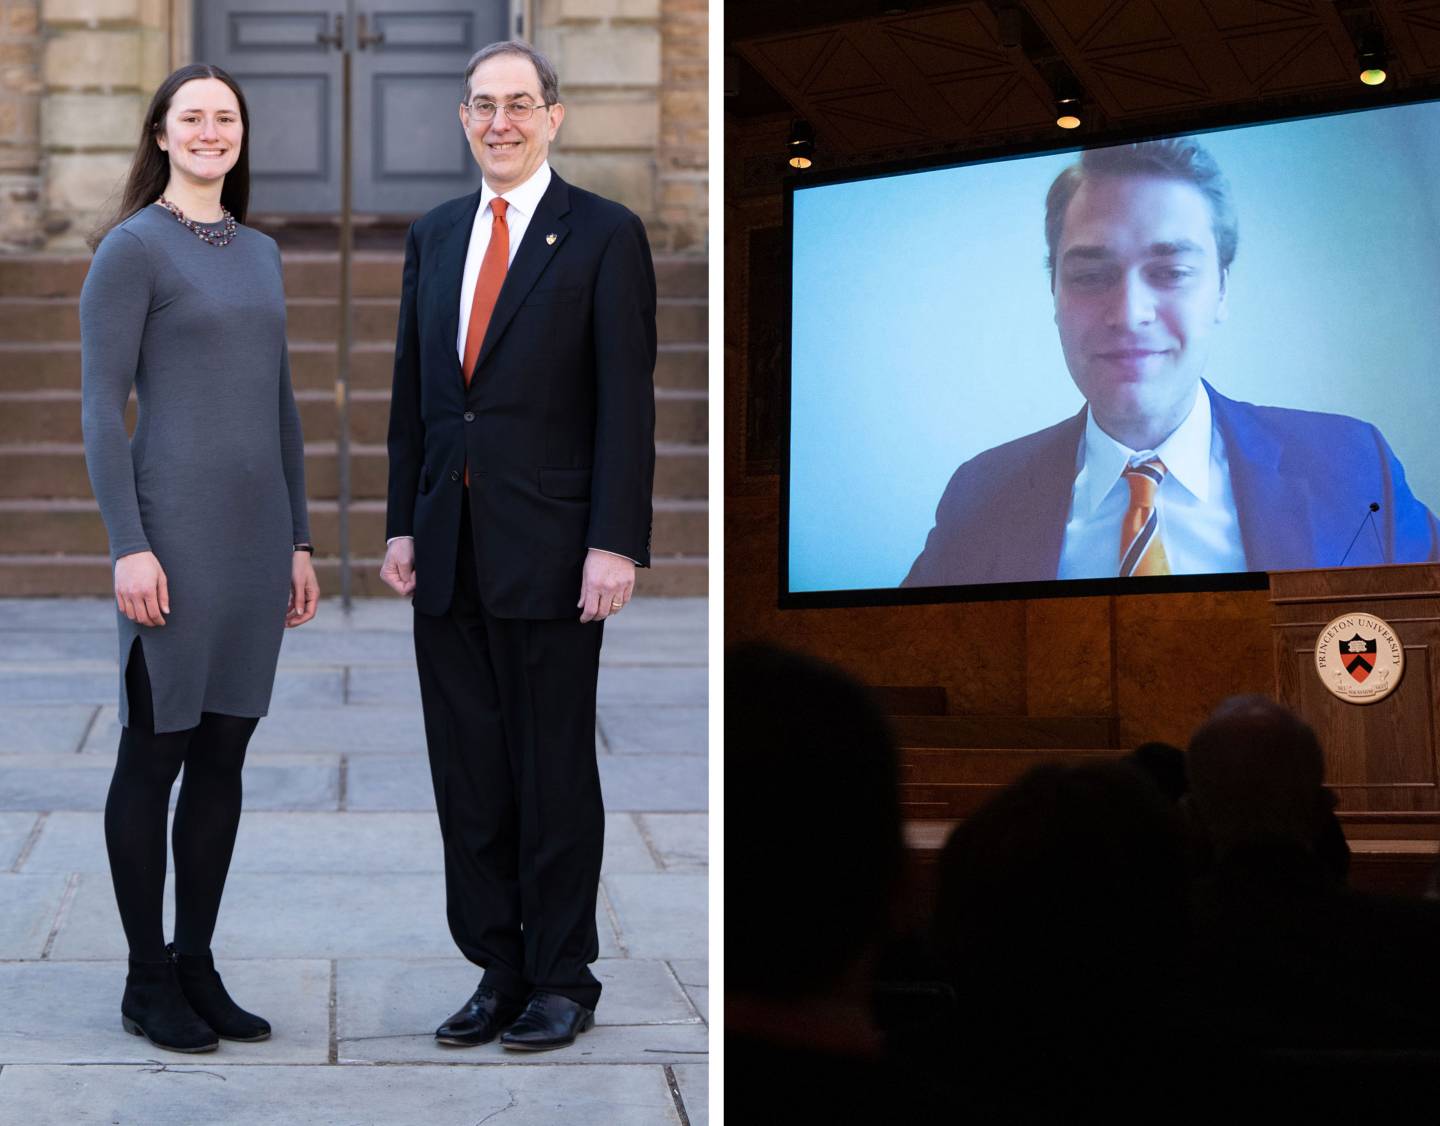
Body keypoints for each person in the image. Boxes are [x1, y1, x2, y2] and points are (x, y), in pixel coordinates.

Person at [379, 40, 655, 1051]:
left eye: (519, 104)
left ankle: (562, 973)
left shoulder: (604, 234)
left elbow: (627, 403)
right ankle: (496, 964)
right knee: (469, 773)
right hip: (447, 545)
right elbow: (417, 396)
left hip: (552, 546)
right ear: (463, 119)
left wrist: (614, 542)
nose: (501, 120)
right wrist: (402, 521)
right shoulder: (435, 233)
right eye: (484, 105)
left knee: (550, 768)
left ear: (555, 116)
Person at [903, 136, 1440, 588]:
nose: (1130, 313)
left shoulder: (1351, 467)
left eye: (1170, 272)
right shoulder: (979, 497)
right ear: (1054, 293)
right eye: (1091, 276)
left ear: (1222, 289)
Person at [80, 64, 318, 1054]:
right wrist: (128, 545)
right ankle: (145, 978)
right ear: (163, 134)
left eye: (226, 117)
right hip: (171, 542)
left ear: (239, 136)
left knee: (223, 754)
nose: (211, 130)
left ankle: (197, 962)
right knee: (157, 752)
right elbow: (99, 405)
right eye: (193, 117)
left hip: (257, 545)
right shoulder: (131, 250)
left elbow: (281, 403)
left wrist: (301, 539)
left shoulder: (261, 253)